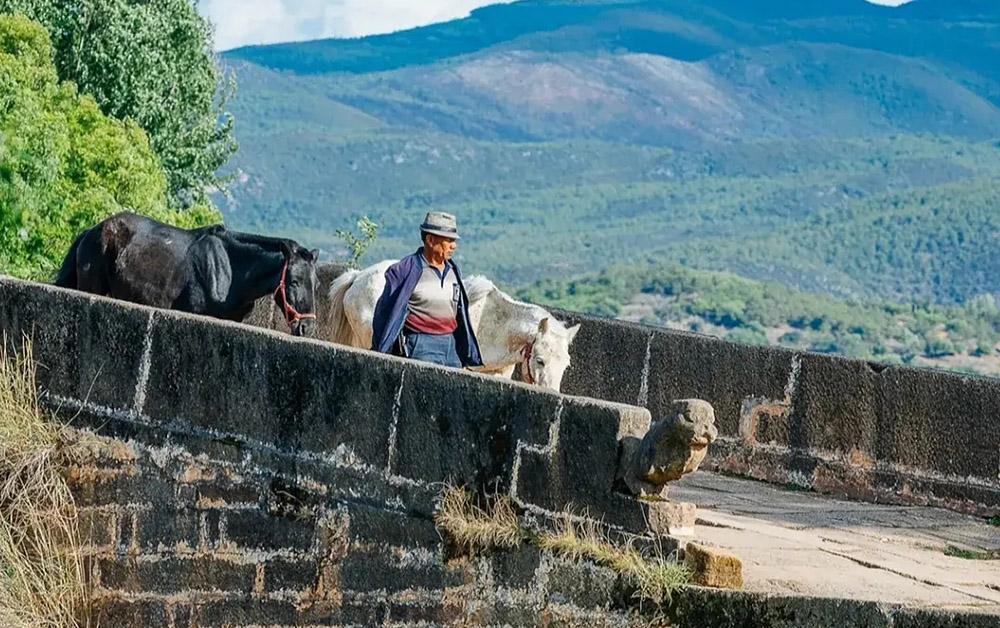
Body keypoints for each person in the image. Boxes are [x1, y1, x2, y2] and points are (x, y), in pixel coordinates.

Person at [371, 212, 483, 369]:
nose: (454, 245)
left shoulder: (452, 270)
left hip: (451, 345)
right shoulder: (405, 270)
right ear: (430, 240)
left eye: (454, 241)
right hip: (421, 344)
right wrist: (380, 351)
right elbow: (384, 312)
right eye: (449, 240)